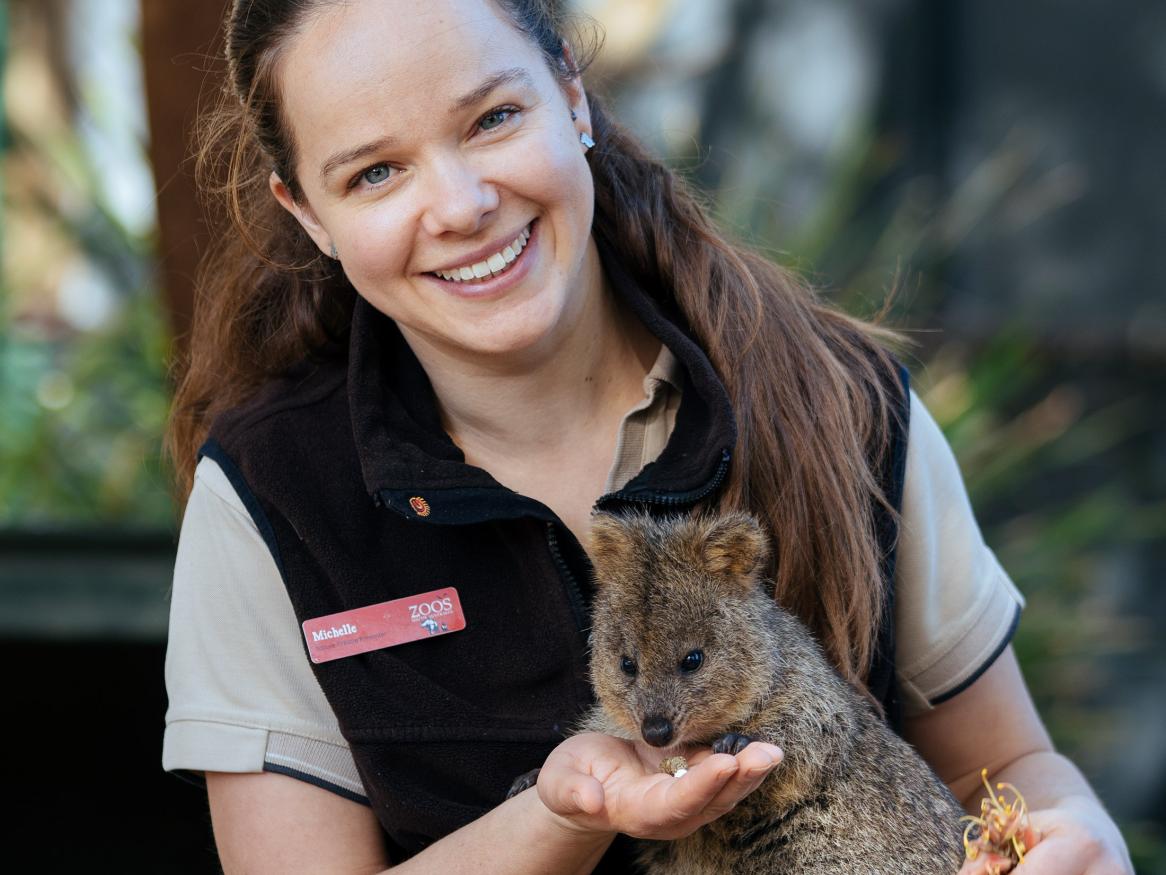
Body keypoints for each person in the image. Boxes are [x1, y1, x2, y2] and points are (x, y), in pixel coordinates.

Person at [161, 0, 1134, 872]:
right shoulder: (269, 494)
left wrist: (1073, 831)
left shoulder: (842, 401)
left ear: (570, 96)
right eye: (375, 172)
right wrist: (560, 814)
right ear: (309, 213)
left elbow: (1003, 769)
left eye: (492, 118)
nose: (460, 206)